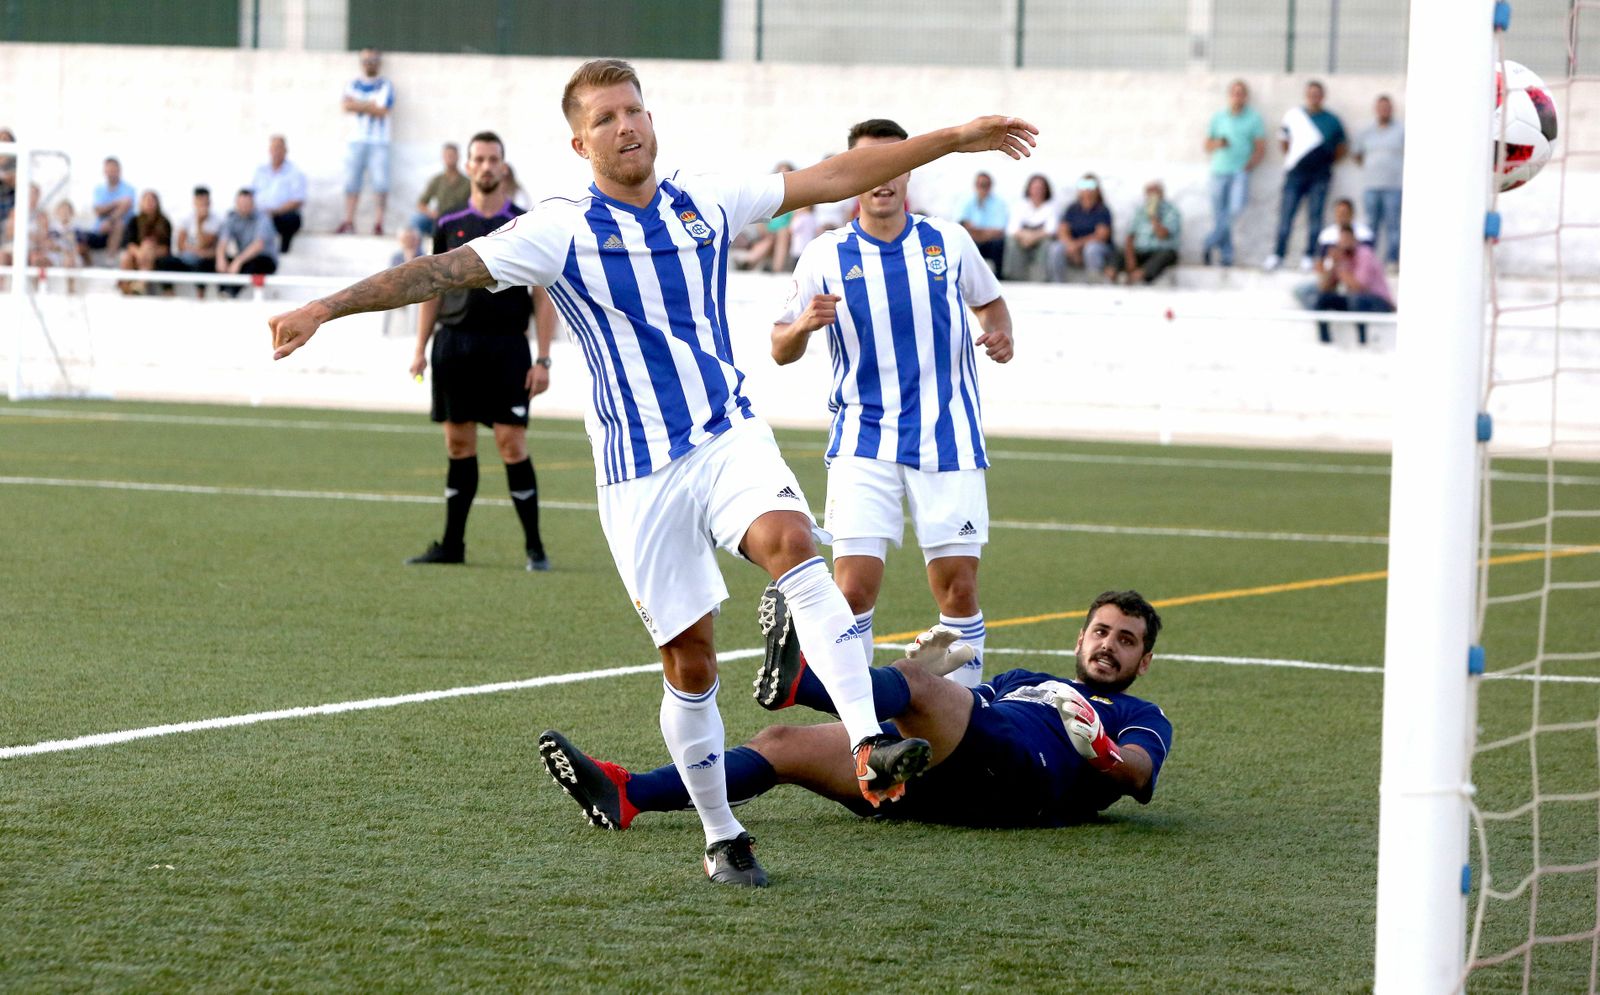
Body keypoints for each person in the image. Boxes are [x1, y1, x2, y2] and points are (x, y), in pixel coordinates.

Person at [267, 57, 1037, 888]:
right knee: (692, 662)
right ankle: (721, 833)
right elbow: (441, 270)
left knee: (792, 541)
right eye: (605, 118)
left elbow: (834, 175)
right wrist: (323, 306)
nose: (626, 125)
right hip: (638, 475)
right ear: (578, 141)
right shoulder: (557, 229)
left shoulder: (704, 198)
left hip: (727, 434)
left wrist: (954, 139)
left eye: (633, 109)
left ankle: (866, 738)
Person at [539, 589, 1172, 838]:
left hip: (1023, 784)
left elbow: (1139, 775)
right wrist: (933, 671)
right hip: (938, 780)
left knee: (915, 687)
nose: (1108, 646)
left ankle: (808, 681)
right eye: (1101, 632)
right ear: (1080, 637)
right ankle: (630, 796)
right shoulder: (1025, 680)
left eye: (1125, 640)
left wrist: (1105, 751)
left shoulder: (1139, 711)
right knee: (782, 742)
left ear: (1143, 659)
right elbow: (961, 712)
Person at [771, 117, 1014, 690]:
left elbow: (993, 305)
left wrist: (1001, 336)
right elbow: (779, 348)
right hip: (862, 439)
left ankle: (964, 716)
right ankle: (859, 727)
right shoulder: (825, 254)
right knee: (852, 590)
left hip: (947, 436)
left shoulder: (948, 241)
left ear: (909, 171)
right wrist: (804, 324)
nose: (882, 178)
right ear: (852, 177)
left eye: (893, 164)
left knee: (957, 587)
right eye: (869, 167)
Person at [406, 131, 556, 572]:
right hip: (454, 346)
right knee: (457, 443)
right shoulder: (448, 224)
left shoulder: (525, 223)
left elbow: (542, 296)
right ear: (468, 167)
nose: (487, 166)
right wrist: (420, 347)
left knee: (511, 443)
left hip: (507, 347)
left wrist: (543, 359)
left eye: (494, 159)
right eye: (479, 159)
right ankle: (453, 545)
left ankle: (535, 549)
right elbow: (431, 288)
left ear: (503, 167)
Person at [1265, 80, 1346, 272]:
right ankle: (1278, 254)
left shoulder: (1332, 120)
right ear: (1306, 95)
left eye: (1318, 93)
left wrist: (1323, 162)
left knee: (1315, 217)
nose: (1314, 97)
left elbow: (1342, 147)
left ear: (1323, 96)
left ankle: (1310, 255)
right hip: (1296, 175)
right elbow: (1284, 142)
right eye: (1311, 93)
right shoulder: (1294, 116)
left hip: (1320, 176)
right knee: (1286, 215)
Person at [1201, 79, 1266, 268]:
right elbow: (1206, 144)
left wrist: (1250, 164)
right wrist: (1218, 144)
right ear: (1229, 95)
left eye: (1241, 93)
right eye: (1234, 93)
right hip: (1219, 170)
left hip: (1240, 171)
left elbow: (1260, 146)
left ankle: (1209, 241)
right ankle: (1226, 256)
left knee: (1235, 210)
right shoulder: (1218, 117)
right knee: (1219, 214)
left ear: (1245, 97)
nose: (1237, 96)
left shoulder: (1254, 118)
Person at [338, 48, 394, 235]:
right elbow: (346, 106)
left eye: (373, 60)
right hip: (356, 140)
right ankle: (348, 221)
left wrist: (358, 105)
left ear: (379, 62)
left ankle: (378, 223)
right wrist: (369, 105)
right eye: (366, 60)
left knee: (380, 184)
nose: (370, 63)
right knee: (351, 182)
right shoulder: (352, 84)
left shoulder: (385, 85)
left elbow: (383, 109)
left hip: (379, 141)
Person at [1307, 224, 1393, 345]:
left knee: (1358, 300)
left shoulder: (1365, 254)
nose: (1345, 243)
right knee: (1322, 299)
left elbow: (1360, 287)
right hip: (1356, 301)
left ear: (1354, 240)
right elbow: (1324, 288)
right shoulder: (1341, 257)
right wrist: (1333, 265)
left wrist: (1340, 268)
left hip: (1379, 302)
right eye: (1342, 240)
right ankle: (1325, 342)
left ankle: (1363, 343)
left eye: (1348, 239)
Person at [1293, 198, 1373, 309]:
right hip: (1331, 276)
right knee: (1302, 290)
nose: (1341, 216)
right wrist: (1327, 273)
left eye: (1344, 212)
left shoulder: (1363, 233)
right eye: (1338, 213)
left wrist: (1343, 270)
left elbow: (1366, 262)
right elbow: (1320, 261)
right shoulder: (1327, 234)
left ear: (1352, 213)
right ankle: (1319, 315)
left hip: (1353, 277)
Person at [1353, 94, 1404, 267]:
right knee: (1370, 224)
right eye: (1381, 107)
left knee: (1393, 224)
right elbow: (1357, 154)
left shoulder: (1401, 130)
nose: (1384, 111)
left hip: (1393, 185)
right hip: (1371, 185)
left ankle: (1392, 260)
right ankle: (1369, 261)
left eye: (1387, 107)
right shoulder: (1366, 131)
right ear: (1376, 110)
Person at [1112, 180, 1181, 285]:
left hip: (1161, 251)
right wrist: (1130, 259)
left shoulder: (1171, 211)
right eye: (1149, 192)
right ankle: (1112, 277)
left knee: (1165, 256)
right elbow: (1130, 236)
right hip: (1141, 251)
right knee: (1119, 252)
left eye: (1155, 192)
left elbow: (1162, 234)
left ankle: (1138, 277)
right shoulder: (1140, 211)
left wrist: (1153, 217)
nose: (1151, 196)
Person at [1046, 173, 1113, 282]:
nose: (1087, 190)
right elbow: (1062, 230)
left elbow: (1101, 235)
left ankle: (1094, 281)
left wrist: (1077, 245)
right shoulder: (1072, 208)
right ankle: (1057, 282)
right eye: (1083, 185)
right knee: (1056, 248)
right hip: (1073, 246)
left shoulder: (1102, 210)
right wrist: (1070, 245)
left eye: (1090, 185)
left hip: (1094, 247)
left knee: (1092, 249)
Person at [735, 162, 797, 272]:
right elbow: (761, 215)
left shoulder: (797, 196)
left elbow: (796, 218)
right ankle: (752, 263)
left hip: (787, 232)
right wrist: (764, 230)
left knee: (781, 234)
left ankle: (755, 262)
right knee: (770, 239)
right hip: (771, 232)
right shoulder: (771, 195)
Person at [251, 135, 308, 253]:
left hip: (280, 215)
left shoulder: (295, 172)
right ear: (269, 150)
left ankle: (283, 250)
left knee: (291, 218)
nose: (276, 152)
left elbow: (298, 200)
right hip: (259, 214)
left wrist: (274, 212)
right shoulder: (260, 170)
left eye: (279, 148)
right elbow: (250, 193)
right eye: (273, 148)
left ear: (285, 150)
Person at [216, 188, 277, 297]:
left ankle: (230, 293)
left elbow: (258, 245)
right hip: (245, 258)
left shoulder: (262, 218)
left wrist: (238, 261)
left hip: (264, 259)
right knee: (219, 261)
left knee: (252, 263)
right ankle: (222, 292)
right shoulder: (232, 218)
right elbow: (223, 241)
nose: (243, 207)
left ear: (253, 204)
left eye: (247, 204)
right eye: (241, 203)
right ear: (236, 203)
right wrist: (220, 258)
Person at [116, 190, 173, 295]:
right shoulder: (134, 221)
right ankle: (136, 284)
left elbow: (166, 248)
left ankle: (138, 283)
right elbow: (129, 243)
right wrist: (140, 253)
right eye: (146, 201)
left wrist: (147, 250)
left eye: (151, 201)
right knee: (128, 256)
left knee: (148, 245)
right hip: (137, 256)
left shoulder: (164, 222)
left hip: (156, 255)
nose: (149, 204)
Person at [1001, 173, 1054, 282]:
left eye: (1040, 188)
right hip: (1022, 240)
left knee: (1047, 243)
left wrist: (1032, 237)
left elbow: (1051, 229)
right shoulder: (1020, 205)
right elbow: (1012, 229)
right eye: (1035, 188)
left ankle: (1041, 278)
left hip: (1040, 240)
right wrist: (1026, 237)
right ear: (1029, 189)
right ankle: (1014, 277)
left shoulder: (1051, 207)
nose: (1037, 191)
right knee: (1011, 242)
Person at [410, 142, 470, 236]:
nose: (449, 158)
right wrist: (431, 213)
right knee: (417, 220)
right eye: (447, 155)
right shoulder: (437, 180)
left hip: (460, 221)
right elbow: (421, 203)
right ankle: (417, 251)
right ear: (443, 157)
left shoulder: (467, 182)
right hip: (439, 219)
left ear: (458, 157)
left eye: (452, 155)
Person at [81, 156, 136, 255]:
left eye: (113, 169)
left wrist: (110, 220)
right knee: (79, 238)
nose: (111, 173)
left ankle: (110, 260)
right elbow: (98, 210)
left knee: (118, 224)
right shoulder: (99, 189)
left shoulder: (129, 189)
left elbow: (125, 206)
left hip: (123, 231)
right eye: (108, 170)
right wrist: (116, 203)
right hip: (100, 229)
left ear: (119, 170)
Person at [956, 170, 1007, 274]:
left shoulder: (999, 203)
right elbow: (961, 224)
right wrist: (981, 232)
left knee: (999, 244)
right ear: (975, 185)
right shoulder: (966, 201)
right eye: (980, 185)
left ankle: (999, 275)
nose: (983, 188)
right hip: (973, 239)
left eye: (985, 185)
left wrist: (978, 233)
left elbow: (999, 229)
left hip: (991, 241)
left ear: (990, 186)